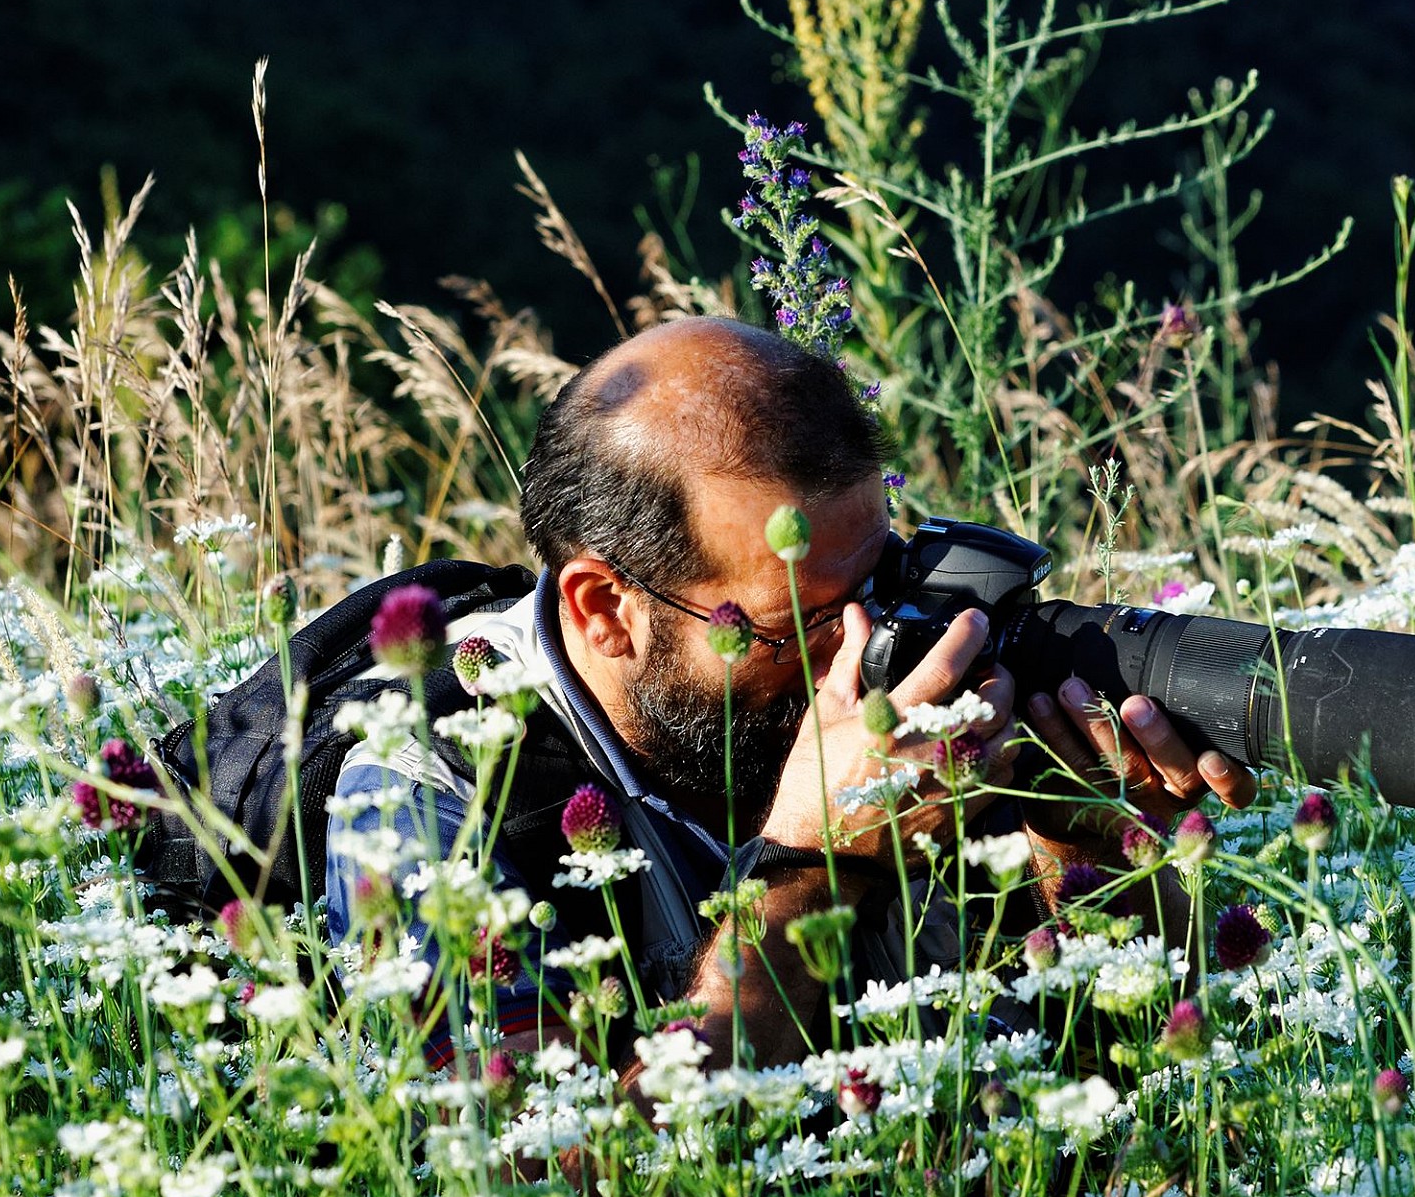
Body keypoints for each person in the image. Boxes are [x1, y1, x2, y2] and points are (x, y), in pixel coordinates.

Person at [323, 315, 1258, 1080]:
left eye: (882, 585)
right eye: (798, 622)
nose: (864, 649)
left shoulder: (906, 692)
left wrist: (1093, 851)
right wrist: (808, 870)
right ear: (604, 608)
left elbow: (1139, 1090)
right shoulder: (422, 798)